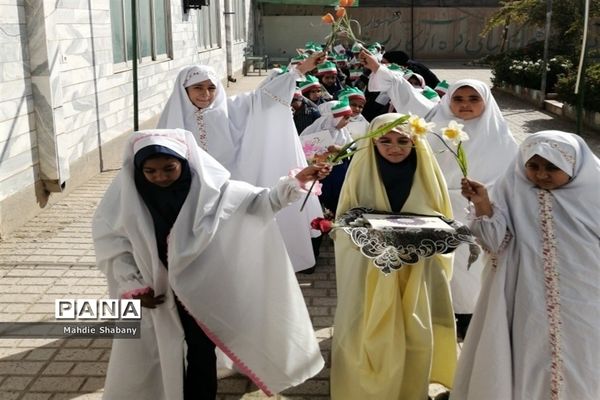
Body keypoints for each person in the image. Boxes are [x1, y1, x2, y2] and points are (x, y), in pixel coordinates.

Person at [93, 129, 329, 400]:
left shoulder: (215, 192)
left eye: (169, 168)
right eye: (150, 171)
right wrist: (132, 284)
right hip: (156, 292)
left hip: (202, 289)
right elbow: (111, 243)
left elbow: (260, 203)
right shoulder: (126, 198)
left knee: (200, 348)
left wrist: (294, 182)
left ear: (185, 162)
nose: (160, 177)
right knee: (159, 349)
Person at [361, 50, 519, 339]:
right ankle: (439, 314)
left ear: (487, 102)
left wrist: (486, 203)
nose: (465, 105)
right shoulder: (437, 120)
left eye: (473, 99)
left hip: (481, 214)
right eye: (458, 99)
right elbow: (408, 96)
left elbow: (514, 181)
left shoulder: (501, 136)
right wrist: (379, 69)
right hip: (436, 208)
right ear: (449, 101)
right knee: (440, 265)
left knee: (473, 268)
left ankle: (471, 314)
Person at [453, 130, 600, 400]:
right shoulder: (511, 190)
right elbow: (494, 242)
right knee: (531, 355)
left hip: (585, 297)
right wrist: (483, 203)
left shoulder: (595, 194)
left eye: (552, 167)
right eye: (533, 166)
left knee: (582, 359)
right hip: (527, 295)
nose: (541, 174)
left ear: (573, 165)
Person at [157, 54, 325, 274]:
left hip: (227, 189)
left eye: (211, 87)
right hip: (188, 193)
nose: (206, 94)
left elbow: (263, 99)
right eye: (198, 88)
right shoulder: (171, 120)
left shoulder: (229, 109)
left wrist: (298, 71)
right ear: (184, 89)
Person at [330, 113, 457, 400]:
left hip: (417, 266)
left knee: (415, 326)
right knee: (367, 326)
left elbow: (441, 215)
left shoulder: (427, 172)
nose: (394, 147)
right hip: (371, 266)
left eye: (403, 140)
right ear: (371, 143)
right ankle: (365, 385)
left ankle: (412, 383)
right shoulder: (361, 172)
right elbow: (345, 222)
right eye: (384, 141)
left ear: (416, 141)